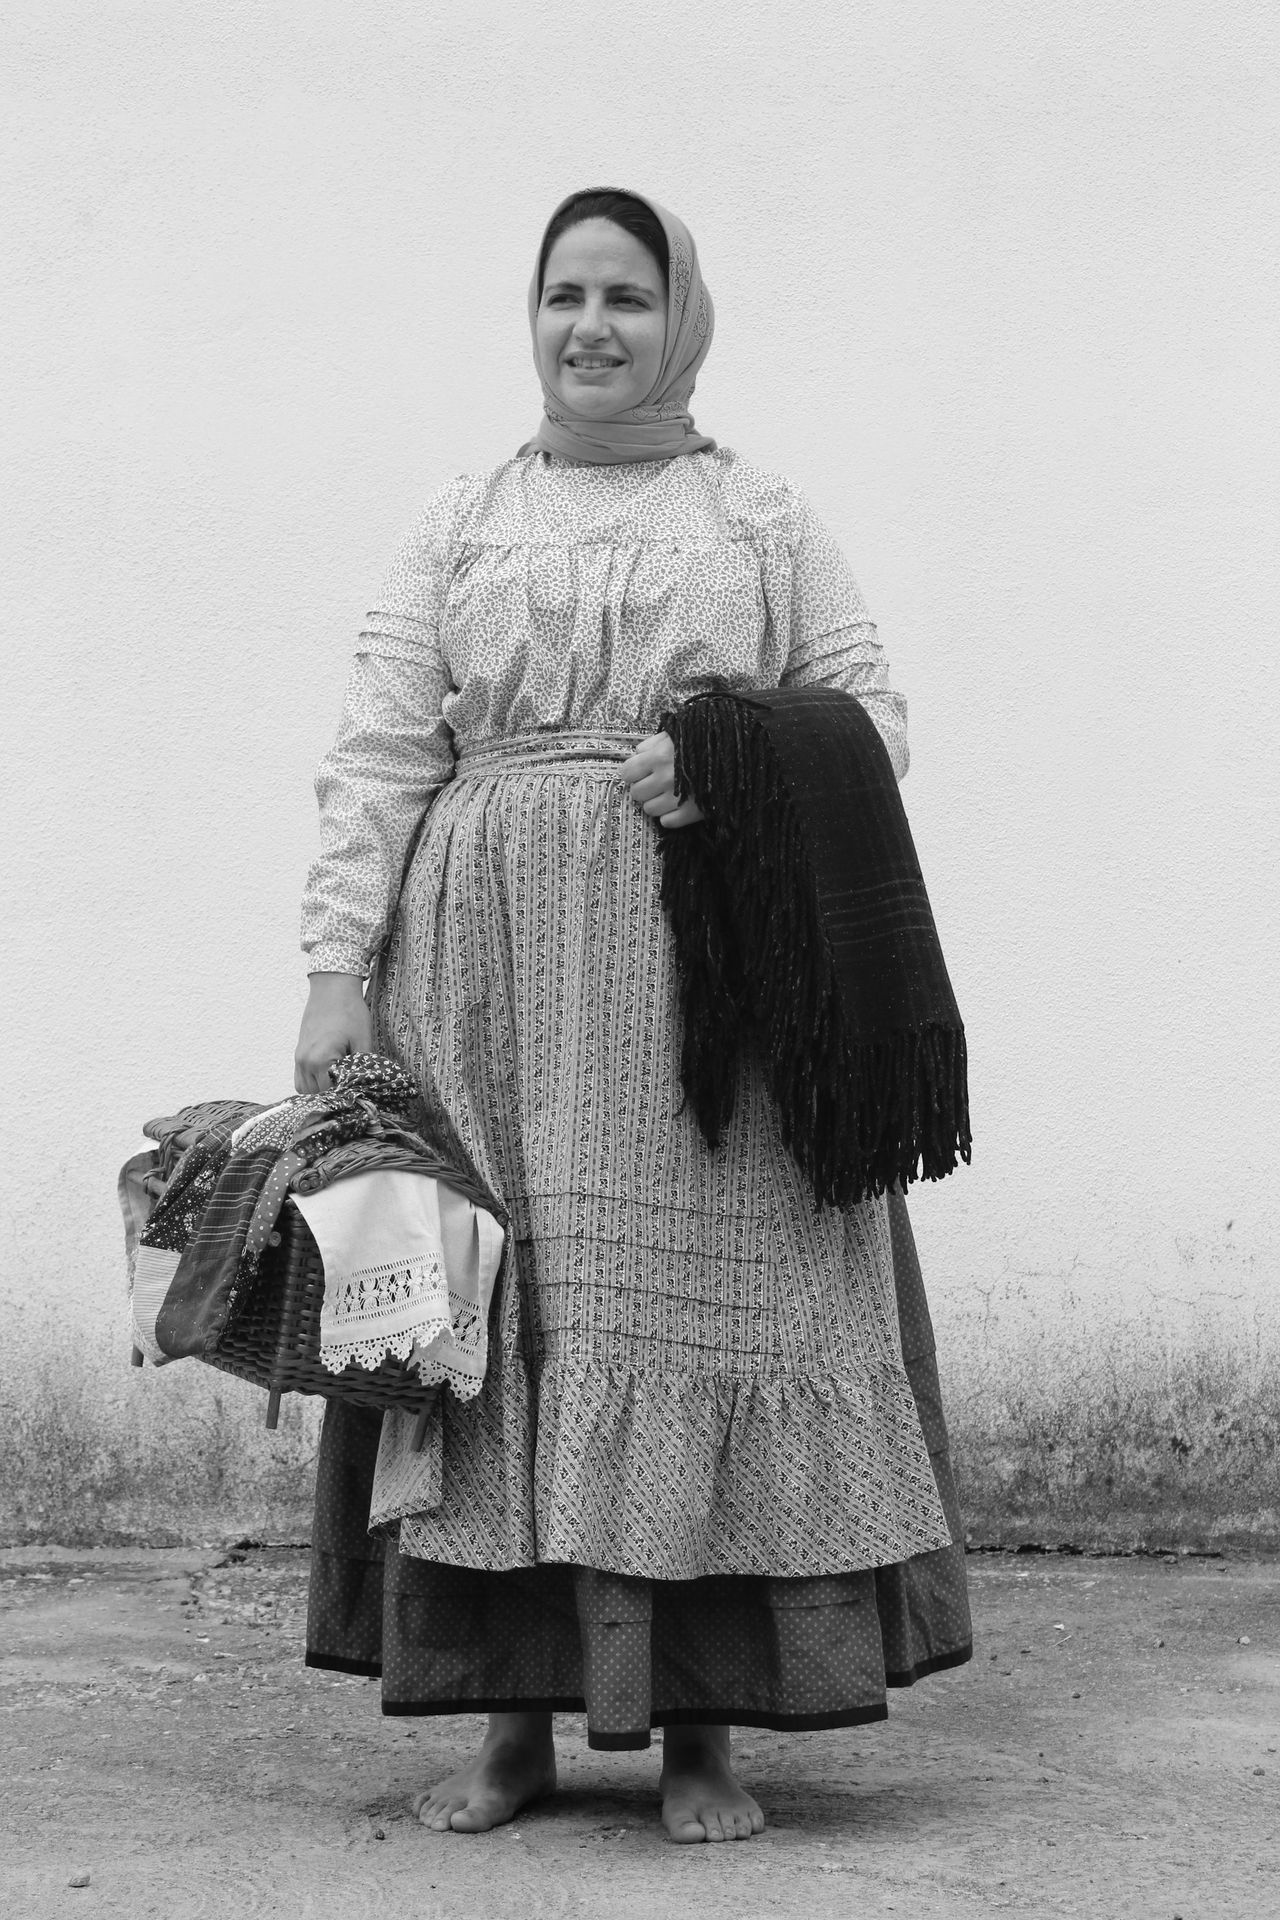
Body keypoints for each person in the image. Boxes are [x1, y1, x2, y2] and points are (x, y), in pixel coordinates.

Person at [294, 186, 971, 1845]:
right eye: (564, 295)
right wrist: (333, 971)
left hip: (711, 986)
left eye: (626, 294)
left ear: (684, 318)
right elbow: (383, 745)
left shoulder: (761, 517)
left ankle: (703, 1736)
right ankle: (508, 1726)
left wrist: (731, 758)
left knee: (705, 1318)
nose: (592, 324)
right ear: (531, 318)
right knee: (485, 1331)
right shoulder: (460, 517)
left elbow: (872, 715)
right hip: (486, 977)